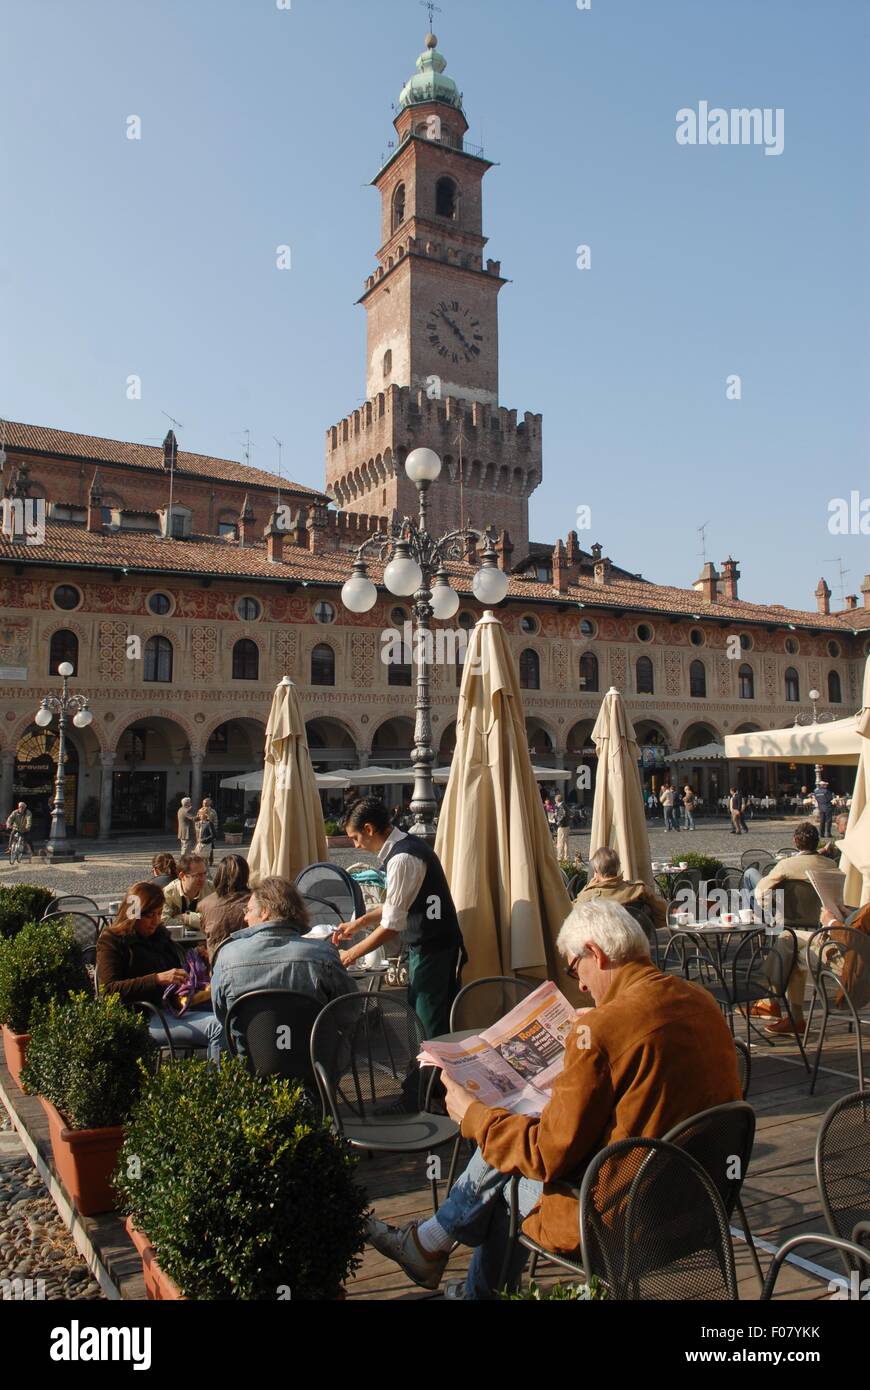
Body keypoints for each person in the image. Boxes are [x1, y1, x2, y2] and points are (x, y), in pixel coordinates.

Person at [366, 898, 742, 1299]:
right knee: (508, 1151)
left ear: (595, 953)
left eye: (574, 968)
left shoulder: (603, 1030)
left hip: (623, 1219)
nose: (578, 984)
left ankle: (447, 1257)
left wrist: (472, 1114)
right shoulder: (701, 1001)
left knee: (504, 1175)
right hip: (702, 1203)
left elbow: (547, 1155)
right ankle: (438, 1248)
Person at [332, 797, 465, 1038]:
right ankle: (427, 1071)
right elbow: (398, 902)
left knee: (427, 1024)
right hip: (430, 945)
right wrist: (360, 922)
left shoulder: (402, 858)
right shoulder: (405, 846)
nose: (356, 846)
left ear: (369, 829)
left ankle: (430, 1074)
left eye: (355, 837)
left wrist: (350, 955)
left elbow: (393, 925)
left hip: (432, 948)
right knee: (422, 1017)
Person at [211, 875, 357, 1048]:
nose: (245, 918)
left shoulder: (227, 956)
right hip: (314, 1063)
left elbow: (223, 1015)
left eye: (248, 910)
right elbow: (350, 1011)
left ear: (264, 911)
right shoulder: (324, 955)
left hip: (248, 1064)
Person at [96, 880, 224, 1062]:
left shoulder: (159, 935)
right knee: (218, 1027)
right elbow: (108, 990)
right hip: (140, 1015)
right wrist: (156, 979)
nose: (156, 921)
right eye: (150, 916)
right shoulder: (112, 940)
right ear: (134, 913)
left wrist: (200, 960)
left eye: (159, 914)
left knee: (230, 1010)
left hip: (171, 1005)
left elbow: (179, 964)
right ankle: (218, 1086)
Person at [749, 821, 835, 1035]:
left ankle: (769, 1000)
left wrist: (772, 913)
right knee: (791, 949)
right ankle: (794, 1017)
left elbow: (761, 892)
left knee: (786, 942)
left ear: (795, 842)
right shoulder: (831, 865)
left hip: (794, 926)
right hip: (822, 929)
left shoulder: (788, 865)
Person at [576, 846, 666, 945]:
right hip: (636, 945)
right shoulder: (639, 889)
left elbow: (569, 915)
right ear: (618, 867)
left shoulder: (588, 896)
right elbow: (662, 911)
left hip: (602, 949)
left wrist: (587, 888)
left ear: (596, 870)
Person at [198, 854, 251, 963]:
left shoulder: (205, 904)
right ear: (246, 875)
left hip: (218, 965)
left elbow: (205, 931)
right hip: (248, 961)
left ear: (219, 875)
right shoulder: (255, 902)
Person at [161, 854, 215, 930]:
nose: (203, 879)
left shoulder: (212, 889)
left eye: (204, 874)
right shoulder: (169, 892)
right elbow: (164, 921)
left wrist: (186, 918)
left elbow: (216, 919)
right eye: (197, 875)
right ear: (182, 876)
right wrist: (193, 925)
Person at [553, 793, 569, 861]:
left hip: (562, 826)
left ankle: (560, 857)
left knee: (560, 842)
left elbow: (564, 815)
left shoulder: (561, 806)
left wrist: (558, 821)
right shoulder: (564, 805)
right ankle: (566, 857)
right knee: (566, 842)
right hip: (566, 826)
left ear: (557, 800)